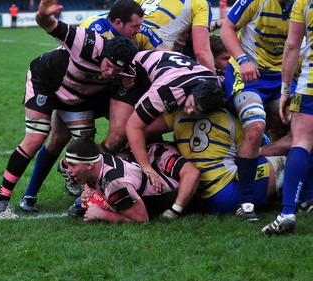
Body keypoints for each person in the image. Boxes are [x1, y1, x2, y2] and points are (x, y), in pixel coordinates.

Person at [0, 0, 139, 219]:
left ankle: (81, 195)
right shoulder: (85, 41)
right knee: (35, 138)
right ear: (104, 53)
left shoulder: (126, 70)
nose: (109, 73)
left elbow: (129, 80)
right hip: (46, 82)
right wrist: (43, 14)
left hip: (76, 97)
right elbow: (47, 24)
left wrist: (127, 81)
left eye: (117, 71)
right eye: (108, 66)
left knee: (87, 148)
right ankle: (1, 200)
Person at [19, 0, 164, 212]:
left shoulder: (143, 33)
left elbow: (162, 56)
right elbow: (73, 61)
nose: (139, 30)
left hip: (115, 88)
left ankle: (89, 193)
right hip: (78, 88)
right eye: (135, 26)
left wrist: (133, 78)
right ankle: (38, 188)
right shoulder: (92, 29)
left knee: (120, 135)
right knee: (58, 138)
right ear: (118, 23)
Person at [220, 0, 294, 221]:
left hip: (283, 78)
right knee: (255, 126)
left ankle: (302, 195)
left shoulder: (304, 5)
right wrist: (243, 60)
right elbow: (226, 28)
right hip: (248, 77)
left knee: (303, 129)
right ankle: (245, 201)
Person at [145, 107, 287, 214]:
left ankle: (275, 194)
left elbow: (144, 128)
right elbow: (249, 156)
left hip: (200, 196)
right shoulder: (230, 120)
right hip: (227, 193)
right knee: (286, 162)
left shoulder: (176, 115)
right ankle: (302, 197)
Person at [125, 50, 225, 191]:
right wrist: (146, 167)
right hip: (135, 70)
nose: (189, 111)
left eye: (197, 111)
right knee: (120, 134)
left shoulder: (218, 84)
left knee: (149, 131)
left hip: (172, 69)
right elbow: (132, 127)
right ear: (191, 93)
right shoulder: (167, 91)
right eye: (191, 105)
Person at [262, 0, 313, 235]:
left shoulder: (302, 2)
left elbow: (292, 45)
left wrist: (285, 91)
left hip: (310, 85)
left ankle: (288, 212)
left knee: (302, 141)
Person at [64, 137, 200, 222]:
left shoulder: (115, 183)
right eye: (67, 165)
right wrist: (89, 194)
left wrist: (103, 215)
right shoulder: (100, 160)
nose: (68, 170)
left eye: (73, 165)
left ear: (89, 165)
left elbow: (142, 220)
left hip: (180, 198)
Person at [135, 0, 216, 73]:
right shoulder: (199, 3)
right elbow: (201, 52)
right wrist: (214, 82)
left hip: (129, 41)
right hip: (156, 57)